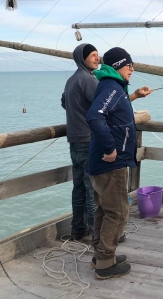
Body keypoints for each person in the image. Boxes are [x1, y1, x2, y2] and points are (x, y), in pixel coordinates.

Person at [86, 47, 152, 280]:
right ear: (117, 67)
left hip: (104, 162)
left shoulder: (113, 86)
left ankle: (101, 257)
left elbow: (113, 111)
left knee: (105, 210)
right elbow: (95, 116)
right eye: (129, 65)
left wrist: (134, 96)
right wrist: (110, 149)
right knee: (118, 212)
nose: (132, 69)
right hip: (109, 162)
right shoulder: (111, 87)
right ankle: (105, 263)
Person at [61, 43, 99, 241]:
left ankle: (77, 229)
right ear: (81, 58)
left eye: (97, 55)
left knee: (78, 187)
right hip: (88, 139)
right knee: (92, 187)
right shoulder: (88, 80)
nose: (97, 58)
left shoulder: (71, 80)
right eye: (92, 55)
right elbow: (103, 105)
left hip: (74, 140)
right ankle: (95, 233)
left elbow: (64, 103)